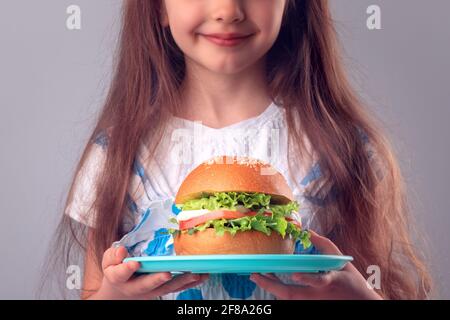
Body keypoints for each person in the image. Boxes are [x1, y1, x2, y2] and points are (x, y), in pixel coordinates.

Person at [47, 0, 432, 300]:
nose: (228, 11)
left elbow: (377, 282)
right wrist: (116, 293)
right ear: (158, 7)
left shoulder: (343, 151)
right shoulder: (116, 155)